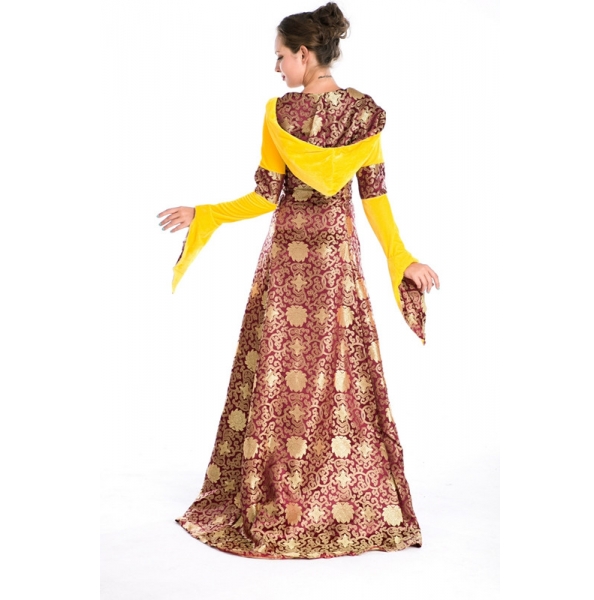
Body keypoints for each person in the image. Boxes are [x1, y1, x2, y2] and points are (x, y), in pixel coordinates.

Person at [157, 2, 440, 560]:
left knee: (278, 368)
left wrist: (205, 213)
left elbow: (265, 197)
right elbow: (375, 198)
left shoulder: (279, 114)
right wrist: (401, 257)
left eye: (281, 57)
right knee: (337, 375)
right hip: (335, 264)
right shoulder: (364, 116)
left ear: (304, 54)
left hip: (288, 261)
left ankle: (276, 487)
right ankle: (337, 491)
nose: (277, 67)